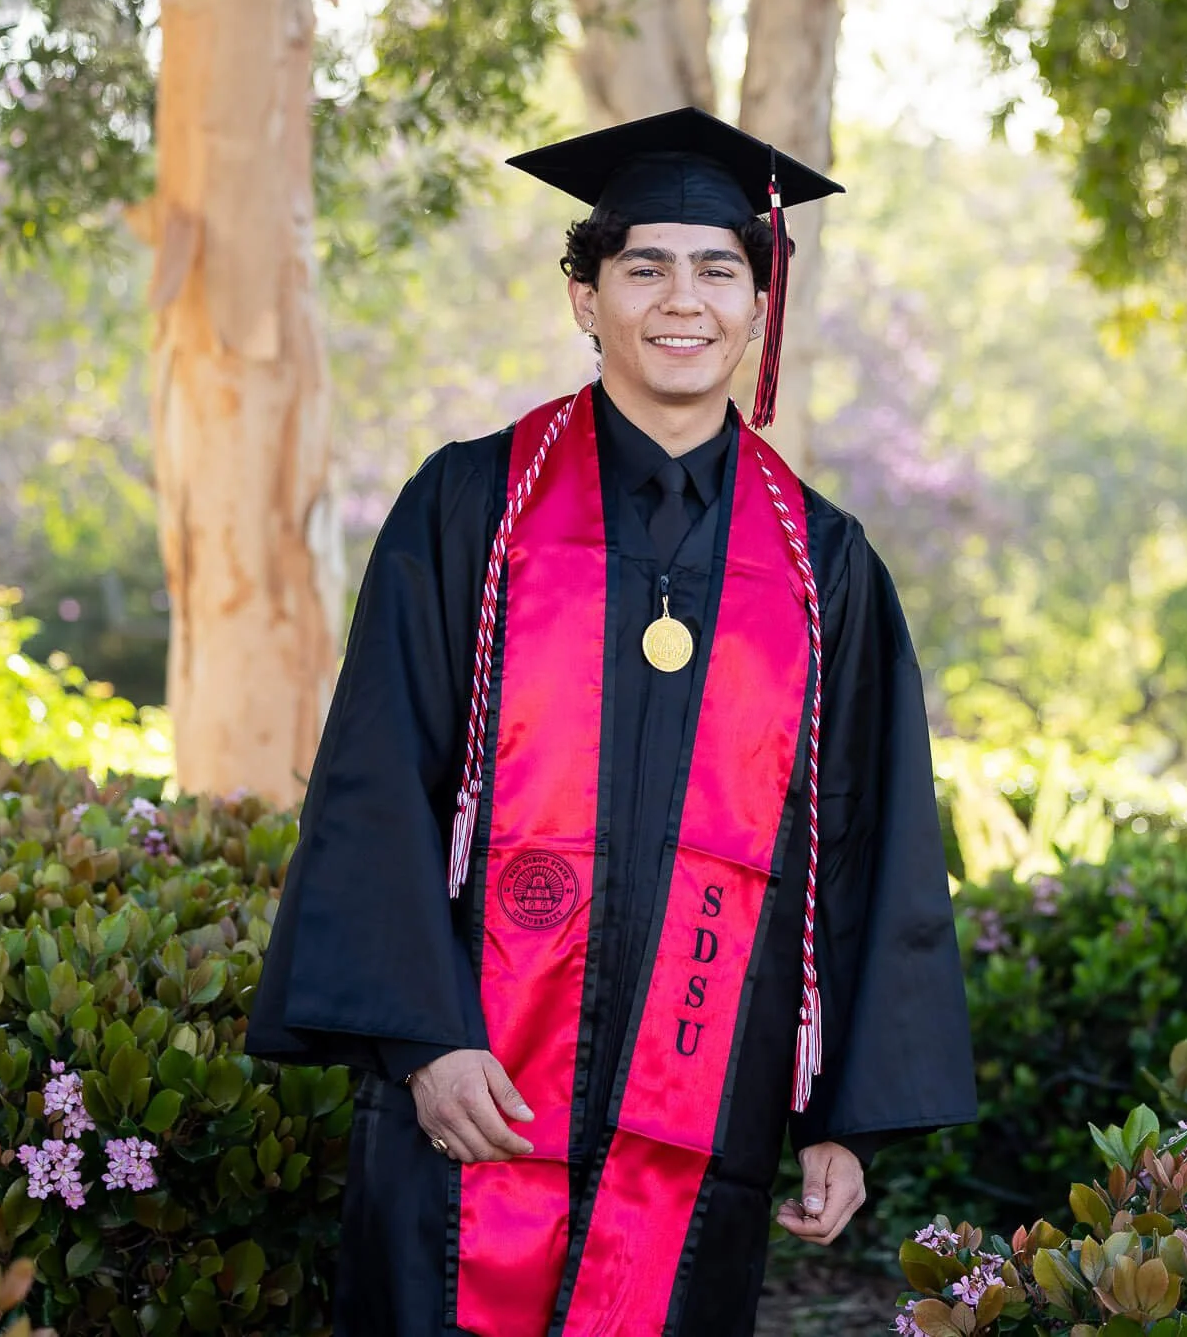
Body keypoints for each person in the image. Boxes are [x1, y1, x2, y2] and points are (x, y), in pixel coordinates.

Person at [248, 107, 975, 1336]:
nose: (680, 299)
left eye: (717, 268)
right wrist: (422, 1037)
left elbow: (867, 836)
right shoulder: (472, 506)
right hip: (471, 1094)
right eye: (644, 264)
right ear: (585, 295)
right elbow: (377, 780)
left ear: (758, 302)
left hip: (702, 1116)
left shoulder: (822, 564)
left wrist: (838, 1109)